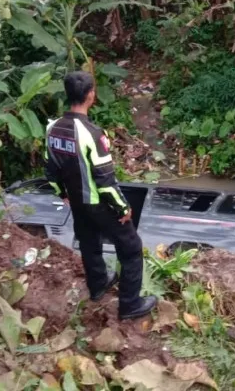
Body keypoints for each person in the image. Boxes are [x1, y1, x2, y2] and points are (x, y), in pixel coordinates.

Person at [44, 71, 158, 320]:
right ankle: (130, 304)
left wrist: (62, 193)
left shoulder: (52, 129)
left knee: (89, 241)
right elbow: (105, 181)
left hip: (75, 201)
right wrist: (122, 208)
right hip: (96, 202)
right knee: (131, 247)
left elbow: (50, 169)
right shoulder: (92, 133)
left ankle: (98, 286)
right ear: (91, 95)